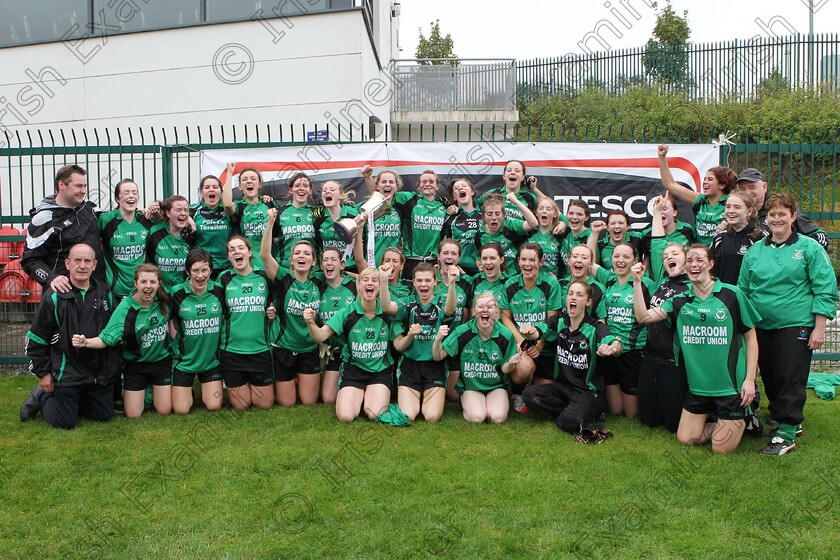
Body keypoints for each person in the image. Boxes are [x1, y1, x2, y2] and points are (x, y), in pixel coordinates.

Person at [635, 244, 760, 454]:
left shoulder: (732, 294)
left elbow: (751, 338)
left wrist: (749, 380)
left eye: (699, 260)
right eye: (689, 261)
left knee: (720, 449)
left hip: (731, 388)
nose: (694, 264)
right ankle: (733, 423)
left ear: (710, 264)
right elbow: (643, 317)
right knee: (686, 438)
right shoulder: (679, 301)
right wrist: (637, 282)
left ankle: (744, 418)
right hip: (698, 387)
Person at [738, 194, 838, 455]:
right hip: (761, 326)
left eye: (783, 214)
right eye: (772, 214)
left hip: (796, 324)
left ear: (793, 217)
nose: (777, 219)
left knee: (789, 377)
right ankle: (788, 421)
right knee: (770, 377)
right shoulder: (755, 250)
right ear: (766, 219)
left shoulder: (809, 248)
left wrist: (819, 328)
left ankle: (786, 434)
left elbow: (825, 288)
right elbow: (743, 290)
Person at [20, 243, 120, 429]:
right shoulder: (54, 296)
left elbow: (114, 332)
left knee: (104, 415)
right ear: (67, 264)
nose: (82, 266)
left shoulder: (105, 293)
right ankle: (42, 398)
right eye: (77, 261)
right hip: (68, 371)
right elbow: (36, 339)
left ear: (94, 265)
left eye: (87, 261)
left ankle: (73, 400)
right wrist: (43, 374)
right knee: (64, 422)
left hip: (96, 372)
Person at [72, 264, 172, 419]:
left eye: (152, 282)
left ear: (159, 284)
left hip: (161, 362)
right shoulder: (125, 308)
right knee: (133, 414)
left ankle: (153, 392)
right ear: (135, 283)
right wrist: (86, 342)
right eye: (143, 282)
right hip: (136, 364)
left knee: (164, 410)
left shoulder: (164, 300)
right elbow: (106, 339)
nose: (148, 286)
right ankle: (143, 391)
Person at [519, 281, 622, 433]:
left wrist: (613, 347)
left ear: (588, 302)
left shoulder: (595, 327)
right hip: (562, 388)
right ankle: (574, 412)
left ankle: (583, 412)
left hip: (585, 392)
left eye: (579, 295)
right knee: (529, 395)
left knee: (567, 422)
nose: (573, 297)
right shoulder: (560, 320)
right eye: (570, 294)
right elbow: (540, 330)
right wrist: (529, 331)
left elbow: (614, 342)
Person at [304, 266, 398, 422]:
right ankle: (358, 395)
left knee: (374, 414)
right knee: (346, 416)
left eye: (374, 280)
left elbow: (391, 307)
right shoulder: (347, 312)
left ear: (379, 286)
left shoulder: (387, 308)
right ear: (358, 286)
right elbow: (320, 336)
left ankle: (370, 396)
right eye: (365, 280)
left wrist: (383, 278)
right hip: (354, 370)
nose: (370, 283)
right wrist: (310, 322)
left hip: (380, 371)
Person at [261, 209, 325, 406]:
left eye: (306, 253)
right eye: (297, 253)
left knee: (308, 402)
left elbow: (352, 276)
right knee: (287, 403)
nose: (301, 256)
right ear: (291, 259)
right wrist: (270, 224)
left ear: (314, 261)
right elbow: (264, 255)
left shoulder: (320, 279)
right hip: (283, 347)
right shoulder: (283, 277)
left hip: (309, 348)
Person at [432, 292, 523, 424]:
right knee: (477, 417)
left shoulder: (506, 335)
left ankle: (490, 403)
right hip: (471, 387)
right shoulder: (462, 331)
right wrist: (437, 340)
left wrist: (512, 363)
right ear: (474, 311)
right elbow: (437, 356)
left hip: (496, 386)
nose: (485, 310)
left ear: (497, 313)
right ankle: (470, 405)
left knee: (497, 418)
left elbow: (504, 369)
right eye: (480, 307)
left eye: (490, 307)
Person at [632, 240, 690, 433]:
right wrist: (637, 282)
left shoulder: (689, 288)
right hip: (650, 356)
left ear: (687, 259)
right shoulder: (664, 282)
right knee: (648, 420)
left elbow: (644, 317)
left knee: (673, 424)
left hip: (673, 361)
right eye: (665, 257)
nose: (668, 258)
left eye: (674, 254)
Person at [593, 243, 656, 418]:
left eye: (626, 257)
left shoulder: (647, 284)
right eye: (616, 256)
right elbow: (590, 263)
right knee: (615, 411)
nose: (620, 261)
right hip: (609, 349)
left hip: (633, 352)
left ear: (635, 260)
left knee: (631, 413)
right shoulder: (608, 279)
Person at [22, 164, 104, 292]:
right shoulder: (44, 218)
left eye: (84, 186)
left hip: (96, 293)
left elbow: (117, 221)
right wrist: (51, 278)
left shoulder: (90, 209)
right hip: (64, 295)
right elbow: (30, 260)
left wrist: (141, 214)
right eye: (78, 186)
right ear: (61, 185)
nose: (83, 191)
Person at [393, 263, 457, 423]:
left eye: (428, 280)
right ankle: (414, 397)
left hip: (434, 366)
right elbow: (388, 307)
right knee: (409, 415)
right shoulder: (409, 303)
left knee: (432, 417)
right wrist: (382, 279)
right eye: (419, 280)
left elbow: (449, 310)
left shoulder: (442, 301)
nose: (423, 284)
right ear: (413, 282)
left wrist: (452, 283)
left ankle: (427, 396)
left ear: (435, 282)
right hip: (410, 364)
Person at [216, 236, 275, 410]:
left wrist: (273, 311)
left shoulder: (264, 276)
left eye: (240, 248)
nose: (236, 252)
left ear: (249, 252)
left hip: (260, 350)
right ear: (228, 257)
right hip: (232, 351)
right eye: (232, 250)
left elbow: (275, 304)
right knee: (241, 406)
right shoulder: (223, 278)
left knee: (263, 404)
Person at [499, 243, 562, 393]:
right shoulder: (510, 284)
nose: (527, 264)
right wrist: (520, 340)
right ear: (519, 261)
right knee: (524, 369)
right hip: (520, 347)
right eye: (524, 260)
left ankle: (530, 385)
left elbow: (552, 320)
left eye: (532, 260)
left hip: (544, 345)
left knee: (543, 392)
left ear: (541, 262)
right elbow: (505, 318)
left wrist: (539, 345)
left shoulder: (551, 284)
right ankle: (517, 392)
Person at [169, 248, 225, 413]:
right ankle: (187, 391)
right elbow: (169, 319)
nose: (200, 276)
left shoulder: (219, 291)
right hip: (184, 361)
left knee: (214, 405)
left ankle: (204, 389)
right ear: (188, 271)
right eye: (195, 270)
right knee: (181, 409)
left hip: (210, 362)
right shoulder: (176, 292)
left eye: (204, 270)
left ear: (211, 270)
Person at [658, 144, 736, 246]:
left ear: (722, 185)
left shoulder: (731, 202)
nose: (705, 182)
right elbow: (670, 185)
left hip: (722, 253)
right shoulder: (700, 200)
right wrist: (662, 157)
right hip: (701, 256)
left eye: (710, 179)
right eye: (704, 179)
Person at [734, 168, 828, 249]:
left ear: (764, 187)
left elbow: (820, 237)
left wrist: (794, 255)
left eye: (752, 188)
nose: (747, 192)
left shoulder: (780, 208)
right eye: (742, 189)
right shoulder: (734, 214)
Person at [98, 178, 156, 300]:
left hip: (141, 291)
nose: (131, 196)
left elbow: (170, 220)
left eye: (134, 193)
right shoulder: (106, 220)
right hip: (115, 291)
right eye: (126, 193)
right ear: (117, 199)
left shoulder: (145, 220)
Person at [316, 247, 357, 404]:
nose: (328, 263)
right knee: (328, 398)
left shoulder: (354, 286)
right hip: (333, 352)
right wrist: (321, 342)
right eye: (325, 260)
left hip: (355, 353)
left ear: (342, 265)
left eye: (333, 259)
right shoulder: (318, 287)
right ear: (321, 266)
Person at [392, 170, 449, 279]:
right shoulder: (410, 199)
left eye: (431, 182)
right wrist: (368, 177)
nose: (427, 184)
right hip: (411, 260)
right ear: (419, 185)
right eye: (424, 181)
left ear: (437, 186)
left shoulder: (444, 206)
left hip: (433, 262)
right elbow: (384, 193)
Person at [223, 161, 279, 270]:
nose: (249, 181)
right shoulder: (239, 206)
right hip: (247, 266)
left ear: (260, 184)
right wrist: (229, 173)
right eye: (244, 179)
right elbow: (227, 203)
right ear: (239, 186)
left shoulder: (269, 204)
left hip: (268, 265)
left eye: (253, 179)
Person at [710, 192, 765, 285]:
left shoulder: (760, 239)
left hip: (747, 297)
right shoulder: (719, 238)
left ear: (749, 211)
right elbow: (709, 269)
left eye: (737, 207)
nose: (731, 211)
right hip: (721, 296)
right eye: (728, 206)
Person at [473, 193, 538, 271]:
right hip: (494, 277)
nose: (494, 217)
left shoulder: (510, 225)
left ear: (503, 215)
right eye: (489, 214)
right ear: (483, 217)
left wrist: (516, 202)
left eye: (497, 214)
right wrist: (480, 265)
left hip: (513, 275)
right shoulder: (479, 235)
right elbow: (478, 257)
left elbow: (533, 223)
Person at [641, 192, 696, 285]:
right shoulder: (648, 234)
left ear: (675, 212)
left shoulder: (687, 230)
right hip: (660, 281)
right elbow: (646, 257)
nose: (661, 211)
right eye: (658, 209)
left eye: (664, 208)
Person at [145, 195, 195, 291]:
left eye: (186, 210)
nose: (183, 213)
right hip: (159, 292)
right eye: (178, 210)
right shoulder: (155, 232)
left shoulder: (191, 234)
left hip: (183, 292)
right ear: (168, 213)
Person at [359, 166, 403, 266]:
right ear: (377, 186)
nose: (387, 184)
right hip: (370, 265)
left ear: (396, 187)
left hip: (392, 266)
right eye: (383, 182)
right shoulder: (365, 207)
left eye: (391, 182)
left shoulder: (401, 208)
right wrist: (367, 177)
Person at [190, 175, 232, 278]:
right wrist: (188, 218)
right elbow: (173, 212)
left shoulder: (229, 210)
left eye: (215, 187)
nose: (211, 189)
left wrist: (264, 198)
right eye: (207, 187)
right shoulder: (193, 210)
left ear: (221, 192)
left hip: (227, 265)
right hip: (202, 267)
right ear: (201, 193)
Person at [476, 160, 546, 221]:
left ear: (523, 177)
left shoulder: (530, 197)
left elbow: (550, 207)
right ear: (504, 176)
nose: (512, 173)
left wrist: (534, 189)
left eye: (517, 171)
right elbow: (473, 206)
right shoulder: (492, 193)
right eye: (509, 170)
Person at [312, 180, 358, 271]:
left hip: (350, 268)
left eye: (332, 190)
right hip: (327, 268)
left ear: (340, 195)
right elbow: (317, 245)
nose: (327, 191)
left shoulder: (353, 214)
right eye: (324, 190)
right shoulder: (318, 217)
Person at [440, 178, 482, 275]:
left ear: (472, 192)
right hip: (458, 271)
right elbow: (440, 244)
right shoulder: (449, 218)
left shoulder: (485, 215)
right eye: (456, 188)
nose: (460, 188)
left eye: (463, 186)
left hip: (482, 270)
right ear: (454, 197)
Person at [275, 172, 317, 269]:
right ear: (290, 190)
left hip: (312, 270)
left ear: (310, 190)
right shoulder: (279, 213)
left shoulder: (316, 213)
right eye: (297, 185)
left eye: (305, 186)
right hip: (285, 269)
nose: (301, 188)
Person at [558, 244, 604, 317]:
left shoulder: (599, 289)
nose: (579, 260)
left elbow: (601, 321)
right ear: (569, 261)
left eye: (584, 257)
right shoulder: (559, 285)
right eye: (575, 256)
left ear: (591, 264)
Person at [528, 197, 567, 278]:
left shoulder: (560, 235)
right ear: (536, 212)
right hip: (531, 279)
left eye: (548, 209)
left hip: (553, 282)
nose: (544, 211)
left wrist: (563, 223)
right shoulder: (528, 233)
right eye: (541, 208)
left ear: (555, 214)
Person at [558, 200, 592, 270]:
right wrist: (535, 189)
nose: (574, 217)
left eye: (579, 214)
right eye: (571, 213)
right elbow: (551, 206)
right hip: (564, 279)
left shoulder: (590, 237)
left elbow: (592, 266)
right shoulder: (565, 228)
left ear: (586, 217)